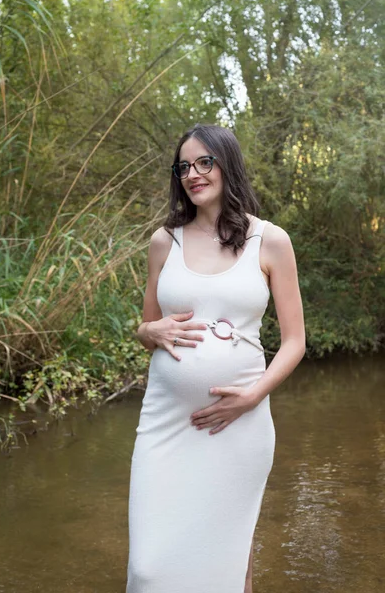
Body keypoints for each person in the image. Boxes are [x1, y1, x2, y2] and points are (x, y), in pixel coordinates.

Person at [126, 124, 305, 593]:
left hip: (238, 424)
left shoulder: (270, 241)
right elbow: (145, 329)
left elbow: (294, 342)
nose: (192, 174)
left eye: (204, 162)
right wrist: (152, 329)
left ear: (228, 164)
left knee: (229, 565)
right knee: (149, 567)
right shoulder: (165, 241)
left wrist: (249, 398)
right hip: (166, 422)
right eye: (183, 166)